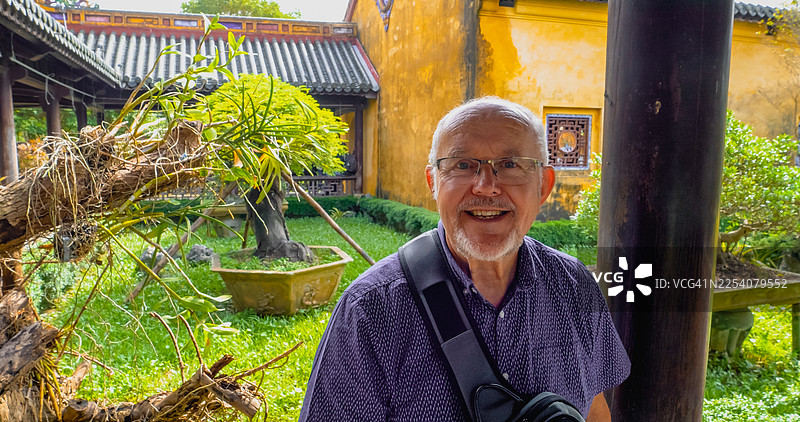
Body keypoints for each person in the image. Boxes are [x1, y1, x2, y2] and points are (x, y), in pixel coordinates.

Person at [299, 97, 630, 421]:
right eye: (462, 165)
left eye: (510, 165)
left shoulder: (573, 284)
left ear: (543, 186)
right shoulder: (371, 310)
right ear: (433, 182)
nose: (486, 187)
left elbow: (593, 406)